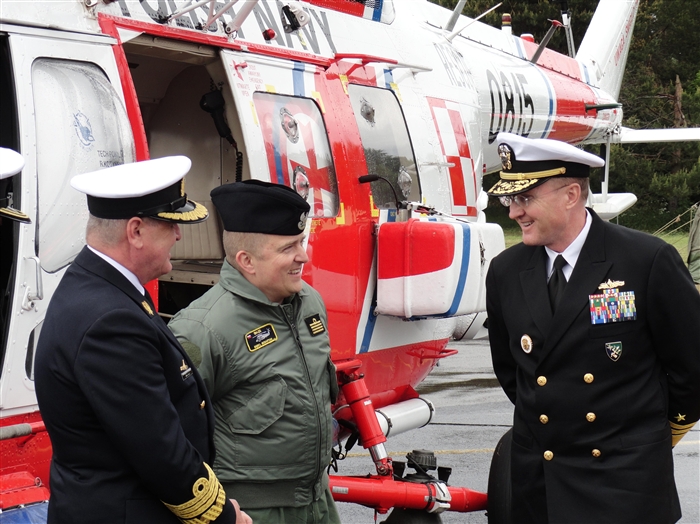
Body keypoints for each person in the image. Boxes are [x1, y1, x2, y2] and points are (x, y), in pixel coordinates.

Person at [485, 132, 700, 524]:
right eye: (509, 199)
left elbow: (693, 367)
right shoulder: (506, 271)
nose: (514, 212)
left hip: (623, 485)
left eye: (524, 198)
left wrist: (642, 440)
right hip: (540, 486)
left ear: (570, 195)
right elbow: (513, 372)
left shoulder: (646, 261)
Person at [34, 156, 251, 524]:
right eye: (170, 225)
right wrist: (221, 517)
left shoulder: (100, 287)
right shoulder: (110, 319)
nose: (179, 235)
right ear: (135, 231)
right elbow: (158, 448)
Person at [168, 180, 341, 523]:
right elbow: (170, 436)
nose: (303, 256)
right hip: (250, 512)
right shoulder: (202, 328)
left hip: (318, 501)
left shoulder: (309, 304)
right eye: (288, 248)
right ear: (246, 260)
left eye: (301, 242)